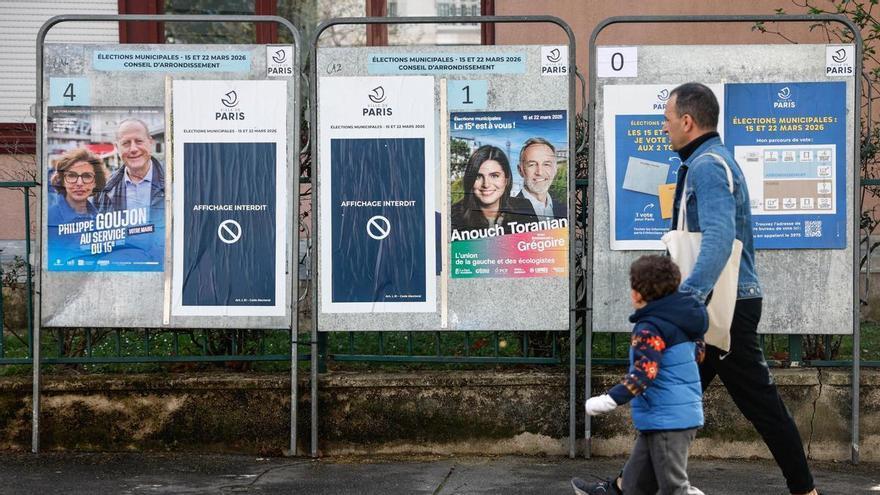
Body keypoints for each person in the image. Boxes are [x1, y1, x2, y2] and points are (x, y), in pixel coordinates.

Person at [573, 83, 819, 495]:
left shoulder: (707, 166)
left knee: (759, 404)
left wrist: (686, 301)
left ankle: (805, 490)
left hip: (720, 308)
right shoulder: (706, 162)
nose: (664, 127)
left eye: (667, 119)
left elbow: (720, 238)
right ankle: (622, 487)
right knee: (669, 400)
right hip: (715, 305)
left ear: (687, 121)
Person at [580, 255, 707, 495]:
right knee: (634, 485)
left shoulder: (650, 328)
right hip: (669, 418)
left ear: (637, 294)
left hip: (667, 420)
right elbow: (698, 355)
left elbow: (644, 373)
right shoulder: (684, 320)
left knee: (673, 488)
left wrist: (609, 399)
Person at [451, 145, 537, 236]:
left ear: (506, 180)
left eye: (494, 176)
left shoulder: (524, 207)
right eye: (478, 176)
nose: (486, 184)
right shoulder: (454, 215)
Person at [95, 118, 165, 217]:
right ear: (117, 147)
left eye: (139, 141)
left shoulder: (174, 181)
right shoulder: (105, 189)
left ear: (150, 142)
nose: (133, 149)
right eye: (126, 143)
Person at [48, 147, 107, 225]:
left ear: (95, 182)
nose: (79, 183)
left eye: (87, 176)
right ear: (62, 181)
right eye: (72, 175)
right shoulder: (49, 217)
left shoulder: (101, 219)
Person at [515, 137, 566, 220]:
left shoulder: (564, 210)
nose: (540, 172)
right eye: (532, 164)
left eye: (546, 164)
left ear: (555, 169)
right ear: (520, 170)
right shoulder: (508, 212)